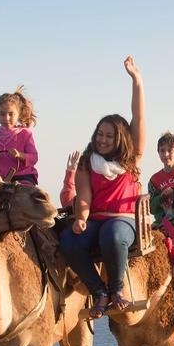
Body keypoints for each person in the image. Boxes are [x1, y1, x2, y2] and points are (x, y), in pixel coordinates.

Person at [58, 56, 145, 318]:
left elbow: (138, 117)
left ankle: (117, 289)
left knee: (113, 235)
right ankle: (99, 291)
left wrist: (136, 81)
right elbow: (83, 196)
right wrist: (81, 219)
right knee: (69, 242)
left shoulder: (131, 159)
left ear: (119, 138)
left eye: (108, 135)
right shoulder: (88, 162)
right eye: (99, 134)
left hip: (123, 220)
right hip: (95, 219)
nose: (102, 140)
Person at [0, 87, 39, 185]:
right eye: (2, 114)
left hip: (23, 176)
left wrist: (20, 155)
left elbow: (34, 157)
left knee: (23, 194)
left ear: (18, 114)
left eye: (11, 114)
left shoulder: (25, 133)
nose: (6, 118)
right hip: (0, 178)